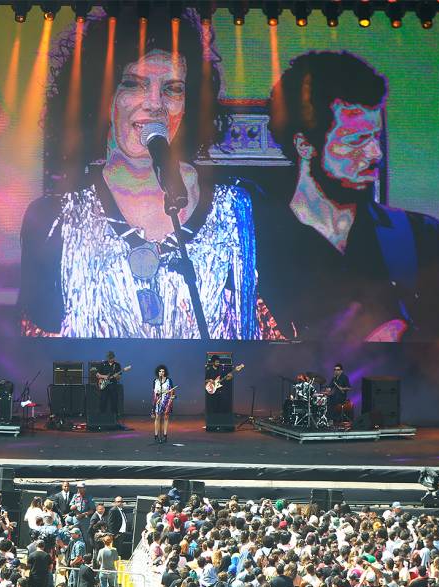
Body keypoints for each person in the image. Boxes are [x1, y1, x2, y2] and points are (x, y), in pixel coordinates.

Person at [263, 51, 439, 342]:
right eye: (357, 140)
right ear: (305, 145)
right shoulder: (257, 247)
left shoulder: (428, 238)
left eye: (375, 137)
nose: (375, 153)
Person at [19, 6, 259, 340]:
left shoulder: (239, 211)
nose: (155, 103)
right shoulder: (50, 219)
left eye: (173, 89)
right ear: (101, 97)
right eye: (134, 84)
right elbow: (34, 356)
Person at [94, 352, 122, 419]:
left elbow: (119, 377)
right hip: (104, 385)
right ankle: (102, 417)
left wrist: (116, 376)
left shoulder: (117, 365)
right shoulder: (103, 364)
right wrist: (104, 376)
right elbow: (97, 374)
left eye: (111, 358)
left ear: (114, 357)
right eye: (109, 358)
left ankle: (114, 418)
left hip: (113, 386)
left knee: (114, 401)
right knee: (103, 401)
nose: (110, 359)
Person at [152, 364, 175, 444]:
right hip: (158, 401)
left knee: (166, 418)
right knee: (157, 417)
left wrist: (172, 397)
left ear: (165, 372)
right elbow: (154, 392)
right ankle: (156, 435)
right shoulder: (155, 381)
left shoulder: (169, 380)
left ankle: (165, 435)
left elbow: (172, 391)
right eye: (160, 371)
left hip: (167, 401)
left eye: (163, 371)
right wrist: (157, 396)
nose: (161, 373)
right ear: (158, 372)